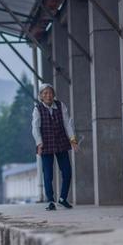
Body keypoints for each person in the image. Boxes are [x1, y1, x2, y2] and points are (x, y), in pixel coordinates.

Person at [31, 83, 79, 211]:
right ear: (41, 96)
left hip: (61, 141)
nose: (48, 95)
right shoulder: (38, 109)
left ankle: (63, 198)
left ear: (54, 94)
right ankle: (50, 201)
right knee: (48, 174)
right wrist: (39, 143)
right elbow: (35, 128)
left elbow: (67, 123)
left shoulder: (60, 105)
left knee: (67, 172)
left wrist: (73, 139)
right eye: (45, 93)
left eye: (50, 92)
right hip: (46, 143)